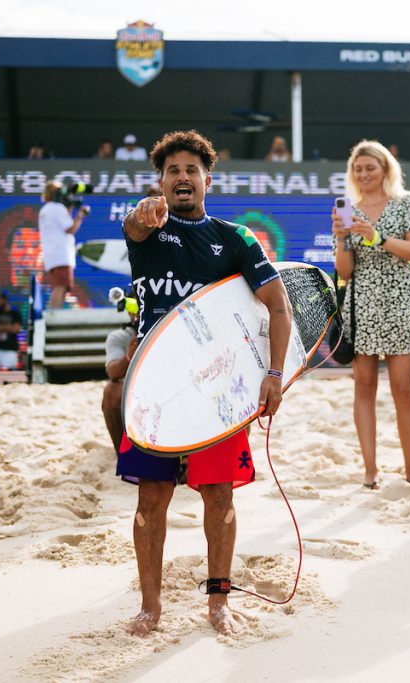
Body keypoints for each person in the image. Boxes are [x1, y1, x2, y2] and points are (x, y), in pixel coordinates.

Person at [120, 129, 291, 636]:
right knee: (151, 500)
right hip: (156, 390)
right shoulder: (148, 229)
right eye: (173, 171)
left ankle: (218, 602)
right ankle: (151, 606)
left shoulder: (235, 238)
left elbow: (278, 307)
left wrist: (274, 374)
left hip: (219, 392)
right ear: (162, 182)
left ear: (207, 180)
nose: (182, 178)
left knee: (219, 497)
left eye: (191, 170)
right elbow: (134, 223)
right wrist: (143, 212)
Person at [332, 140, 410, 488]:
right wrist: (343, 239)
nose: (363, 174)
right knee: (364, 386)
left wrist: (375, 237)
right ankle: (370, 471)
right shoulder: (348, 208)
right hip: (361, 304)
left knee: (403, 388)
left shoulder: (407, 204)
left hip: (399, 301)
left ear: (386, 169)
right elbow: (344, 272)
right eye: (357, 169)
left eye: (370, 168)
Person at [39, 181, 88, 309]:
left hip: (52, 255)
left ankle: (56, 312)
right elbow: (70, 228)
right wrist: (80, 215)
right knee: (60, 286)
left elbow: (60, 224)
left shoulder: (45, 209)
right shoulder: (57, 208)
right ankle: (54, 314)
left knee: (61, 286)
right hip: (61, 254)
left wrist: (68, 208)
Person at [102, 289, 138, 453]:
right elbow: (113, 373)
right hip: (136, 396)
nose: (136, 313)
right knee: (111, 391)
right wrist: (130, 356)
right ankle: (122, 454)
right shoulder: (120, 337)